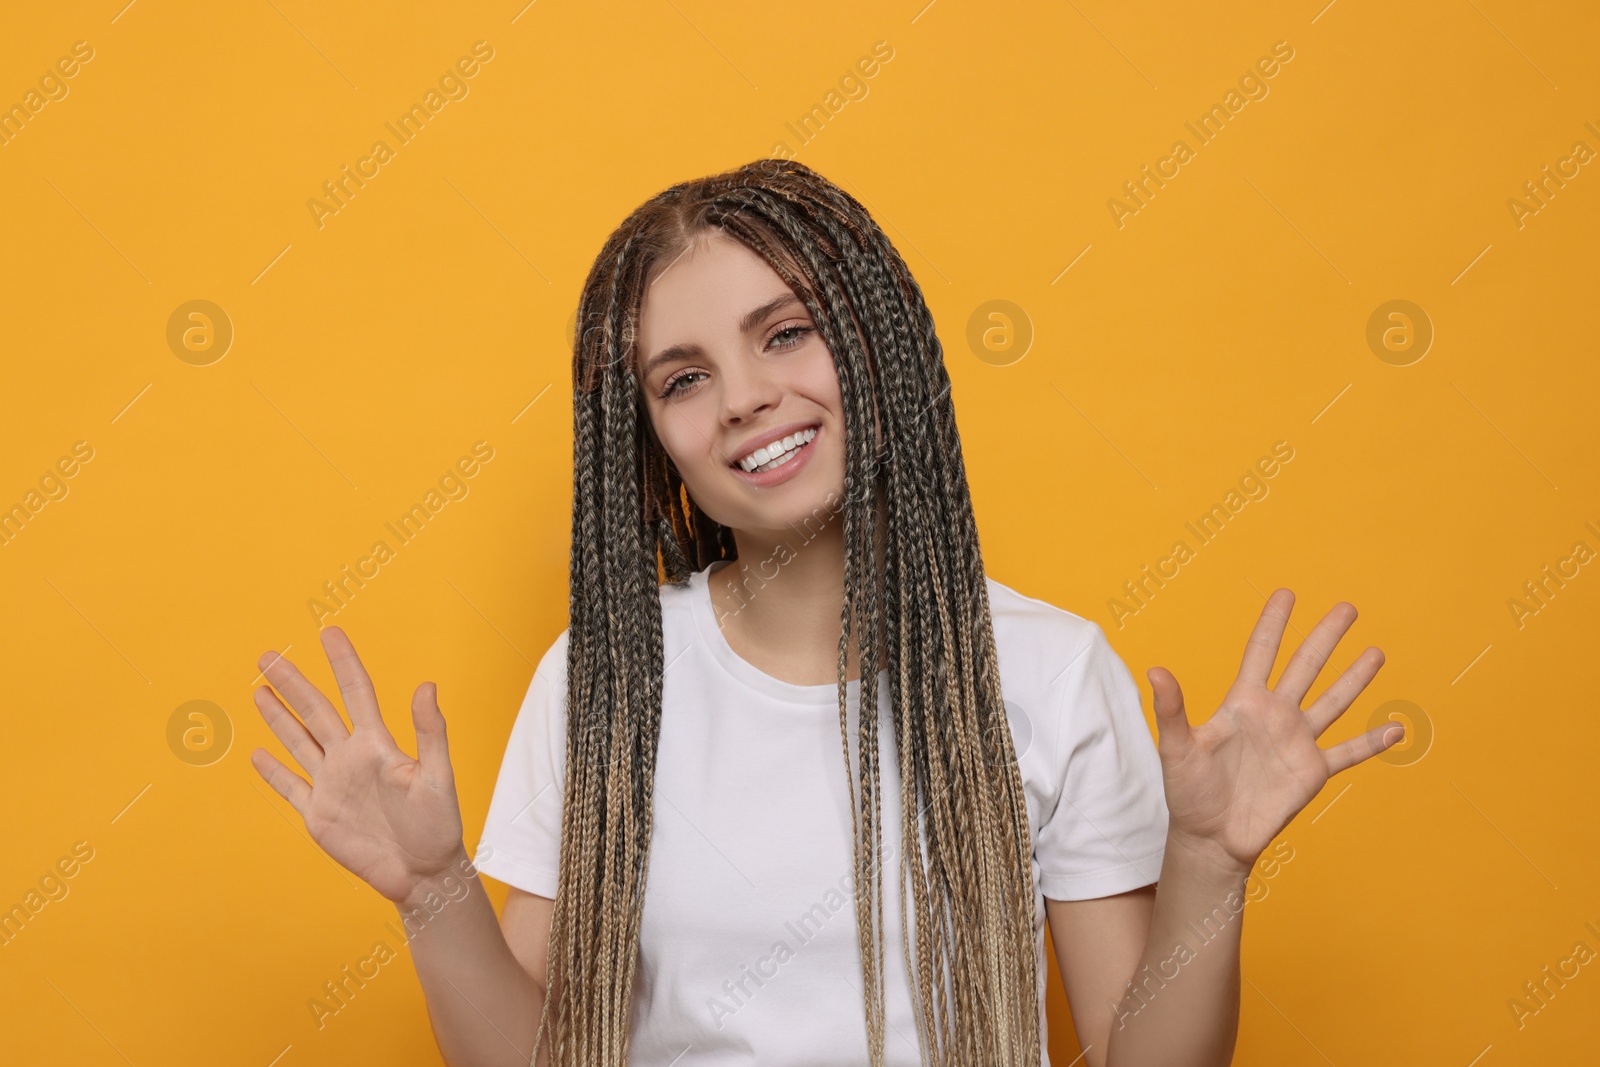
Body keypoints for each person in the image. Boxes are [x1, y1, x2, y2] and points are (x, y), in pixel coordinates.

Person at [249, 158, 1402, 1067]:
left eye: (785, 331)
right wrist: (437, 891)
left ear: (875, 345)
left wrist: (1205, 860)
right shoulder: (609, 676)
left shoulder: (1048, 675)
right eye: (683, 377)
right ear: (650, 442)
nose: (745, 396)